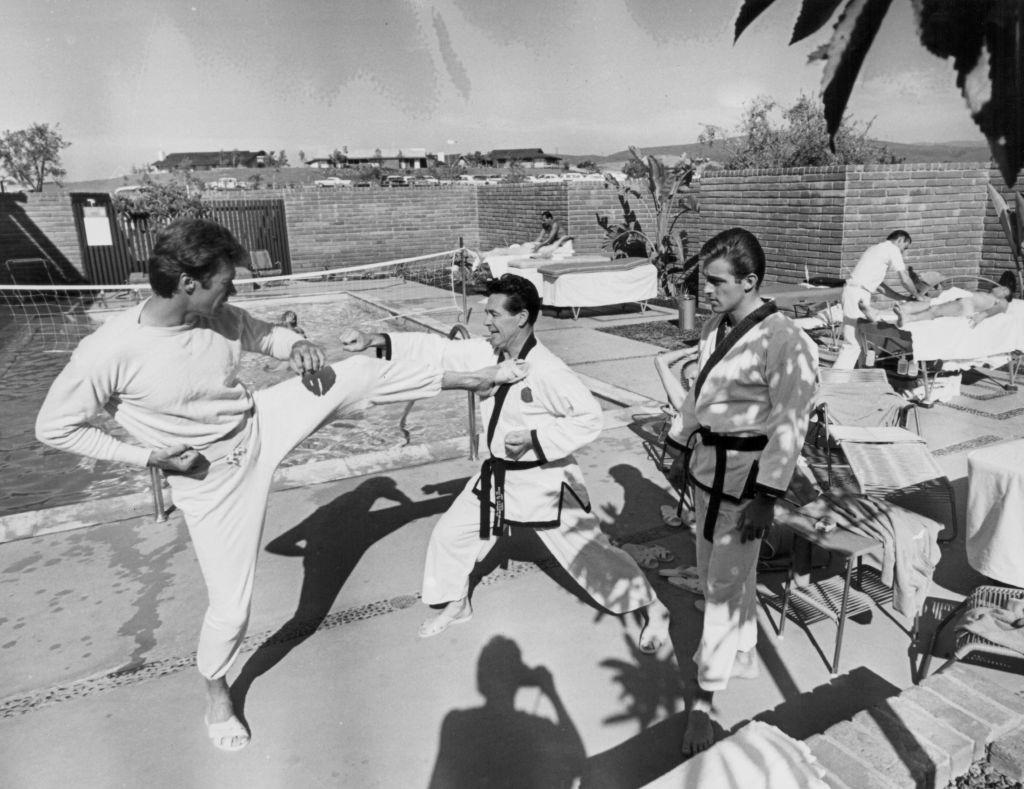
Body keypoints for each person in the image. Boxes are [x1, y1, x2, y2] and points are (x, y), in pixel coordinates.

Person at [35, 218, 525, 752]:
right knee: (231, 609)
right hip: (209, 479)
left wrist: (297, 345)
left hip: (260, 424)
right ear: (187, 283)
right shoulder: (108, 351)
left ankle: (476, 374)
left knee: (360, 371)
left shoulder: (217, 315)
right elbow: (55, 427)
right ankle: (217, 692)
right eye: (226, 281)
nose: (234, 290)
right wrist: (147, 456)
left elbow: (264, 334)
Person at [340, 274, 673, 650]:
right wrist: (376, 340)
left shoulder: (549, 371)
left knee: (591, 556)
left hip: (544, 485)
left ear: (522, 317)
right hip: (497, 479)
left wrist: (535, 439)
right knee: (450, 534)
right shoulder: (488, 354)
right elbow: (437, 350)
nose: (487, 322)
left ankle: (653, 607)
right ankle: (458, 602)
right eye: (486, 313)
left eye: (494, 314)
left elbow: (590, 418)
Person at [669, 228, 818, 755]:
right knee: (725, 577)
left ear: (750, 281)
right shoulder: (718, 327)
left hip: (747, 482)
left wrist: (767, 496)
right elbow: (698, 394)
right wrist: (678, 443)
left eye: (716, 282)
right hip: (709, 469)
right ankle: (742, 655)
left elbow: (790, 423)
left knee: (721, 590)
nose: (705, 291)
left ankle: (703, 705)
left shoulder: (787, 341)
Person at [834, 230, 917, 369]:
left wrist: (903, 297)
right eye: (905, 247)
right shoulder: (892, 248)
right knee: (852, 344)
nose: (904, 252)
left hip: (858, 291)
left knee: (860, 340)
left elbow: (880, 287)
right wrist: (917, 295)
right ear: (900, 240)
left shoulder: (876, 249)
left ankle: (850, 377)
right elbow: (904, 278)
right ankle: (834, 383)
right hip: (857, 293)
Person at [654, 348, 700, 528]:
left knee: (684, 472)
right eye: (686, 379)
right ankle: (696, 511)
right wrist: (694, 350)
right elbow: (660, 361)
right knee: (676, 474)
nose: (690, 382)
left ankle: (696, 511)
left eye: (695, 377)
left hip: (704, 457)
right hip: (692, 452)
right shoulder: (684, 400)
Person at [894, 274, 1014, 328]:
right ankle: (901, 310)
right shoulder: (986, 294)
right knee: (930, 303)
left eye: (1004, 290)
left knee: (936, 309)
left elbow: (1001, 308)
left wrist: (983, 315)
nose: (1000, 288)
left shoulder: (1000, 302)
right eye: (1001, 286)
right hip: (961, 300)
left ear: (1005, 296)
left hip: (965, 305)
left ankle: (909, 318)